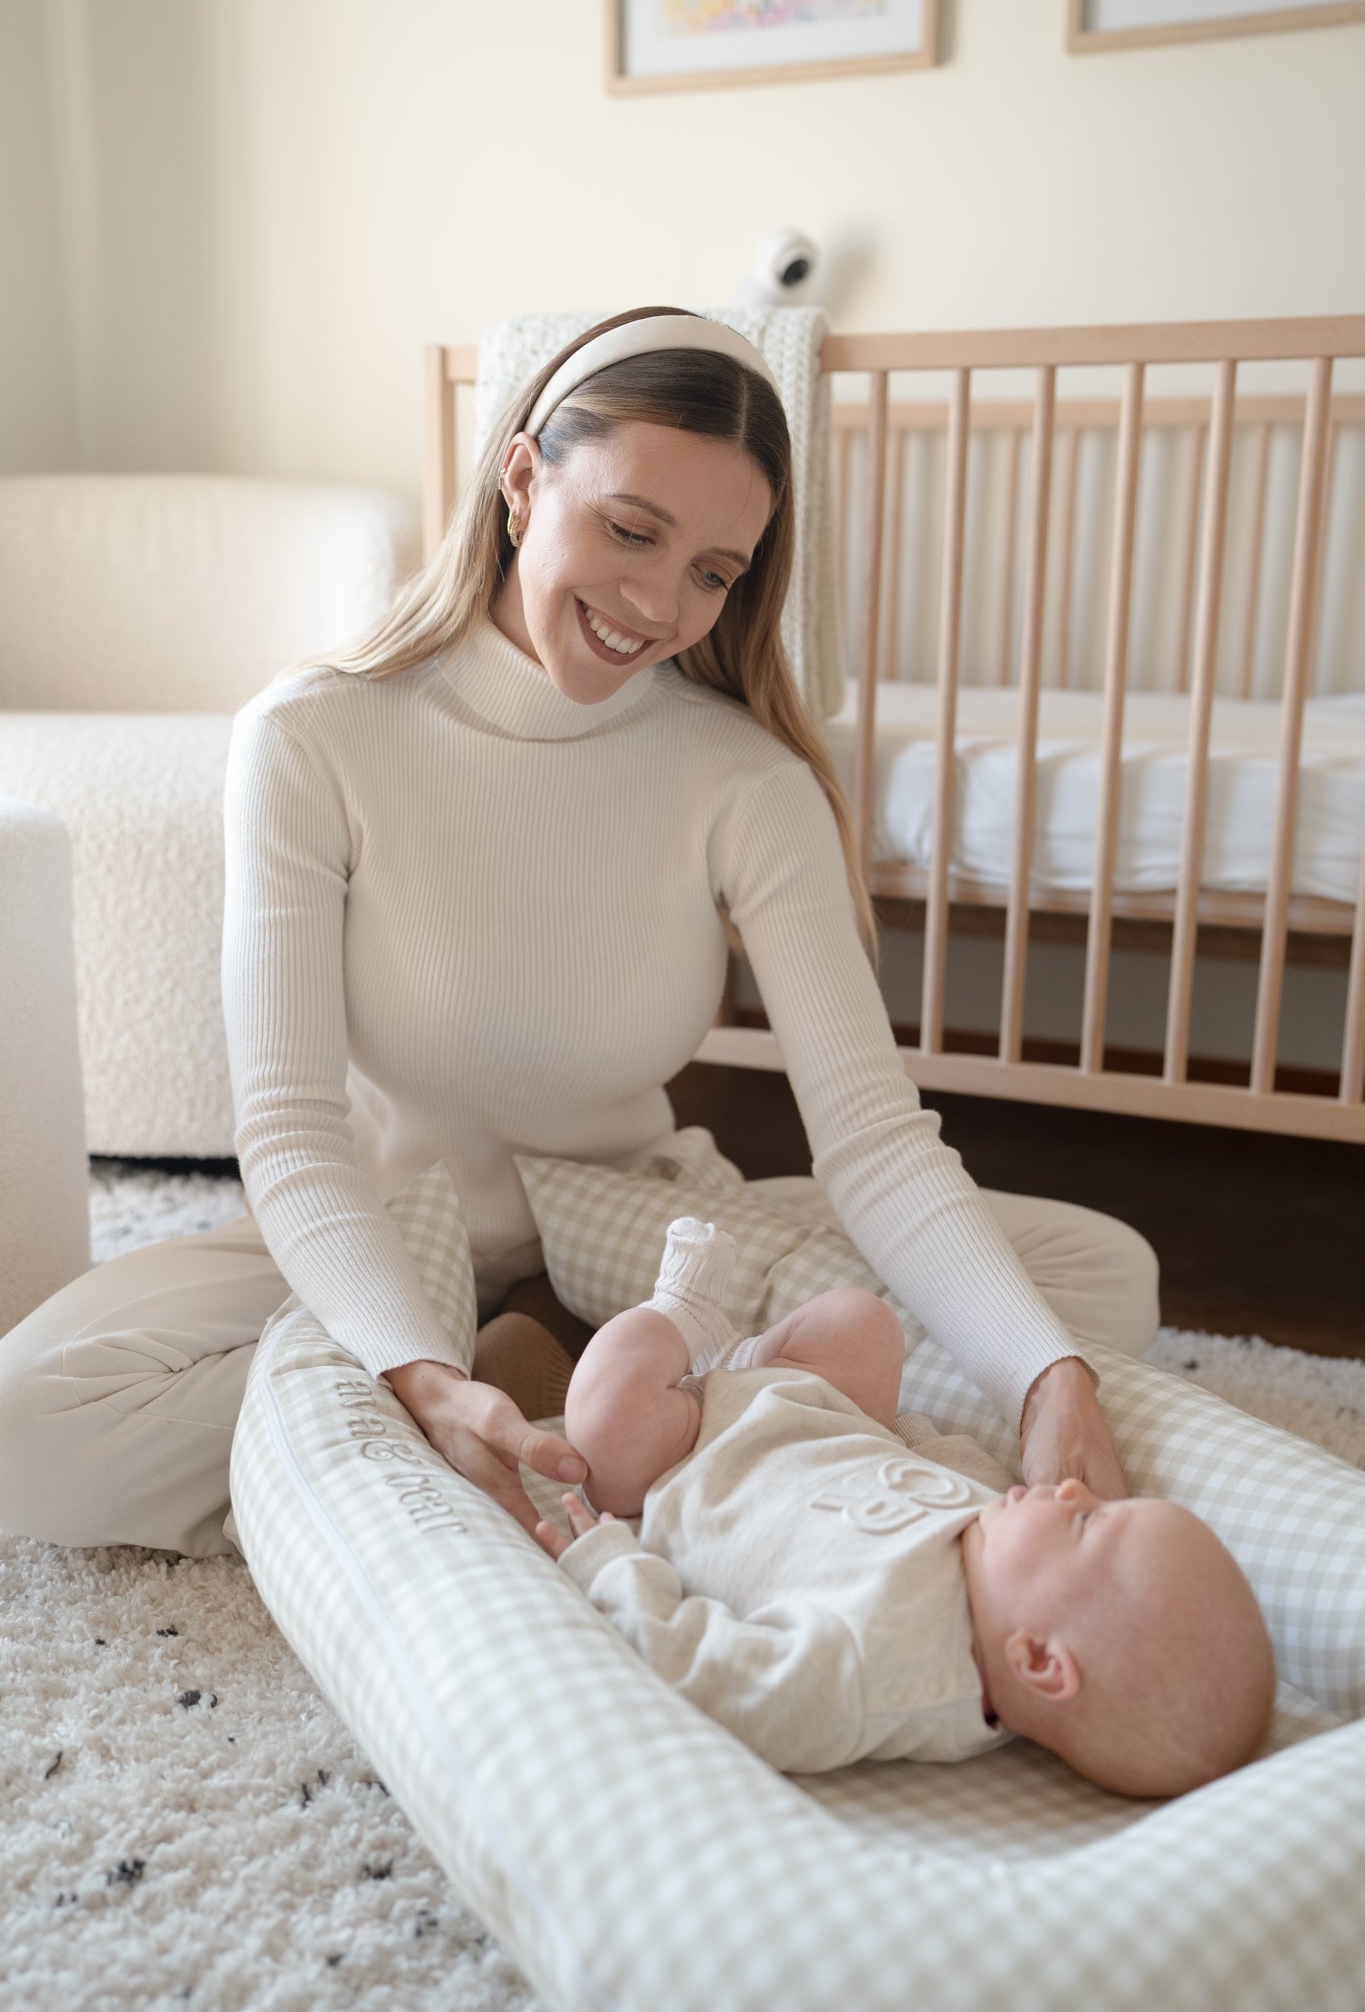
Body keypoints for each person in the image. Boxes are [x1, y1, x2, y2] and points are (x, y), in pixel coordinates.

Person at [0, 305, 1152, 1560]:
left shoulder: (746, 782)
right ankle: (587, 1422)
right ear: (520, 476)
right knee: (29, 1424)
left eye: (713, 570)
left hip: (646, 1250)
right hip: (382, 1226)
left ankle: (535, 1418)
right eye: (630, 528)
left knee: (1092, 1284)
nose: (658, 602)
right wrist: (415, 1368)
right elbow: (287, 1129)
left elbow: (872, 1139)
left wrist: (1048, 1380)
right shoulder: (310, 735)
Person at [535, 1220, 1276, 1798]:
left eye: (1086, 1524)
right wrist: (883, 1434)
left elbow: (708, 1672)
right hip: (803, 1408)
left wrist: (614, 1566)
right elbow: (926, 1458)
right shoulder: (1000, 1548)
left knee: (602, 1415)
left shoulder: (873, 1674)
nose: (1079, 1491)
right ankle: (725, 1365)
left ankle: (680, 1314)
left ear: (1038, 1659)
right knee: (860, 1323)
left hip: (680, 1461)